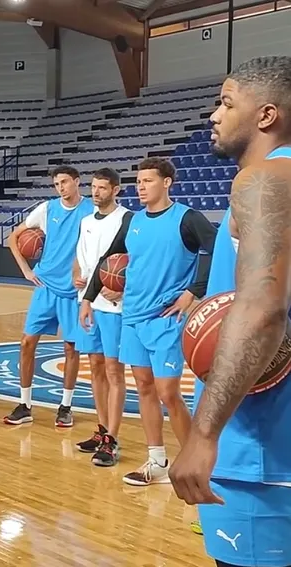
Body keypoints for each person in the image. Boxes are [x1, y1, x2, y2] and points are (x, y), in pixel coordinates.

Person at [169, 55, 291, 567]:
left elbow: (262, 309)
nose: (214, 115)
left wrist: (202, 434)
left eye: (226, 102)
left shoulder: (263, 179)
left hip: (262, 453)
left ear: (266, 115)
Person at [83, 156, 216, 487]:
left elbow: (218, 250)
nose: (140, 187)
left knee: (168, 392)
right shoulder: (133, 221)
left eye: (148, 181)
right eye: (138, 181)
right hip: (133, 317)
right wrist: (88, 298)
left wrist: (193, 291)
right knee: (143, 387)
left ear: (167, 183)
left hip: (165, 318)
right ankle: (157, 461)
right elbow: (108, 259)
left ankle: (195, 465)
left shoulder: (187, 218)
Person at [5, 166, 95, 427]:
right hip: (45, 285)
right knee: (26, 342)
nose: (61, 187)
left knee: (71, 348)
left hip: (73, 290)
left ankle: (65, 407)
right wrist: (26, 270)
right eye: (56, 184)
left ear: (77, 181)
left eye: (64, 182)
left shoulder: (91, 210)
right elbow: (13, 237)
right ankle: (25, 405)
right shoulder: (47, 209)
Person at [73, 168, 131, 467]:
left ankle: (113, 438)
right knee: (95, 366)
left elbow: (134, 260)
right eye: (93, 187)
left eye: (102, 188)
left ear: (116, 190)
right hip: (89, 302)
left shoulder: (128, 219)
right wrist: (79, 283)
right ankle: (102, 428)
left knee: (113, 370)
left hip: (114, 306)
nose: (96, 192)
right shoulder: (85, 222)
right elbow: (81, 259)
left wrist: (123, 287)